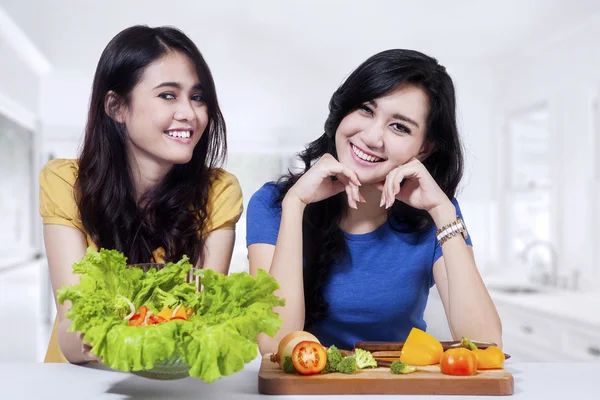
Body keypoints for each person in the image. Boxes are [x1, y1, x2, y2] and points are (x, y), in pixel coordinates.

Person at [246, 49, 502, 354]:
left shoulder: (436, 217)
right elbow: (274, 348)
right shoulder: (273, 204)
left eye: (399, 127)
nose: (371, 137)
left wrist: (443, 210)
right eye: (366, 110)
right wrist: (295, 204)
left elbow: (487, 347)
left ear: (424, 149)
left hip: (397, 385)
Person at [39, 25, 243, 364]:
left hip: (172, 385)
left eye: (197, 96)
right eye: (168, 95)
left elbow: (201, 325)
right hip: (78, 385)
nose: (189, 113)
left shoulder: (218, 191)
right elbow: (75, 338)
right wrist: (165, 326)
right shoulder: (65, 182)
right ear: (117, 107)